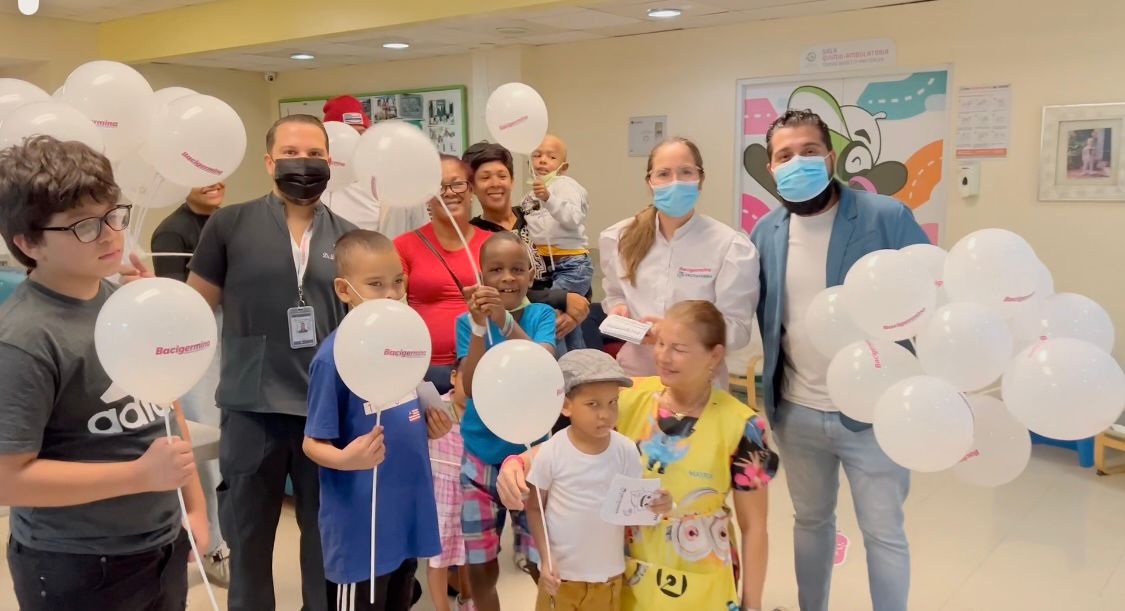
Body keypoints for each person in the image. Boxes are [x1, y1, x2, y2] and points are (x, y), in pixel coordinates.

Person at [0, 136, 208, 610]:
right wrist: (139, 475)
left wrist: (193, 506)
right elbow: (8, 479)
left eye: (114, 215)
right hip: (77, 562)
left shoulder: (124, 303)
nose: (111, 235)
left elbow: (166, 406)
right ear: (29, 243)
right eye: (84, 226)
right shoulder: (24, 339)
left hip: (162, 540)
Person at [750, 109, 930, 611]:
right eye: (785, 155)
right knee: (810, 522)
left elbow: (929, 298)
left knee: (883, 531)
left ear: (830, 157)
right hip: (797, 411)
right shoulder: (765, 232)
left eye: (809, 151)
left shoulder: (885, 217)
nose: (797, 161)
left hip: (874, 415)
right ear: (771, 168)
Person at [497, 301, 778, 611]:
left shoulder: (743, 426)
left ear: (714, 355)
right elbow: (572, 441)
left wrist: (752, 605)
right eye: (660, 343)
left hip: (700, 568)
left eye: (679, 349)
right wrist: (518, 462)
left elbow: (754, 527)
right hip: (627, 571)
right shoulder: (628, 397)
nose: (663, 356)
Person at [187, 114, 357, 611]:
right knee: (249, 541)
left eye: (314, 154)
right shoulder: (229, 225)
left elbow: (365, 324)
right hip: (251, 406)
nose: (303, 163)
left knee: (324, 541)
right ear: (268, 162)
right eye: (290, 153)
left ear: (330, 162)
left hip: (325, 410)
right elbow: (195, 310)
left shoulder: (349, 238)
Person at [304, 229, 451, 611]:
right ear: (344, 289)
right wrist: (346, 459)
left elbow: (409, 407)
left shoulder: (404, 344)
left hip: (406, 513)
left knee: (400, 597)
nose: (390, 294)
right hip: (360, 528)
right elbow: (312, 443)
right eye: (375, 284)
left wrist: (431, 425)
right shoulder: (332, 359)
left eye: (397, 281)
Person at [600, 138, 759, 380]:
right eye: (664, 174)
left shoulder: (730, 246)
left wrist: (676, 333)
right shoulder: (619, 238)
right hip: (636, 376)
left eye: (686, 172)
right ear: (650, 182)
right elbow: (615, 294)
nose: (675, 182)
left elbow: (737, 330)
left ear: (701, 179)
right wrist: (619, 309)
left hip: (699, 382)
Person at [525, 349, 671, 611]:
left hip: (609, 577)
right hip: (561, 578)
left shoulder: (626, 449)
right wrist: (546, 559)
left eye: (612, 402)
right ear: (566, 405)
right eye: (593, 404)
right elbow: (535, 508)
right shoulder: (552, 452)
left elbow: (635, 511)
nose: (605, 414)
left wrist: (659, 505)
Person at [457, 232, 557, 611]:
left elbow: (542, 365)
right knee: (481, 568)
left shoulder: (541, 315)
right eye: (496, 270)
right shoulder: (466, 323)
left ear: (531, 275)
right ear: (481, 277)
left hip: (531, 460)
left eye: (517, 269)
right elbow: (470, 387)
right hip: (479, 460)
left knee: (540, 562)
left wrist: (504, 322)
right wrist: (480, 326)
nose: (507, 278)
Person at [150, 181, 230, 585]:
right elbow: (181, 304)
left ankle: (233, 537)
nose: (214, 182)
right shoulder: (171, 231)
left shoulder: (232, 221)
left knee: (233, 448)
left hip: (237, 340)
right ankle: (214, 545)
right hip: (198, 347)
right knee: (208, 449)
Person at [463, 142, 590, 356]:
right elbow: (501, 288)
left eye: (502, 176)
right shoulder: (474, 234)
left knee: (578, 366)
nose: (495, 183)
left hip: (562, 318)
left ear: (512, 180)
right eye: (485, 177)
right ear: (472, 187)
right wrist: (562, 299)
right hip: (516, 327)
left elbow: (572, 260)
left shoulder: (534, 215)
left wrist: (575, 311)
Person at [394, 154, 491, 395]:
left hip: (483, 365)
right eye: (439, 186)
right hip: (423, 372)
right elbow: (392, 306)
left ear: (471, 190)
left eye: (457, 184)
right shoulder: (404, 245)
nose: (449, 193)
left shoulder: (493, 245)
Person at [520, 134, 593, 353]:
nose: (543, 160)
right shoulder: (531, 194)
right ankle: (578, 362)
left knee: (552, 317)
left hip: (572, 265)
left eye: (551, 157)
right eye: (537, 155)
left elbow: (573, 218)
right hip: (551, 267)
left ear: (564, 166)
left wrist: (549, 198)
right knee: (567, 323)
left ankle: (563, 366)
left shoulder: (565, 185)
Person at [321, 95, 428, 238]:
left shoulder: (398, 183)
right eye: (346, 134)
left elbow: (425, 236)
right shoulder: (315, 183)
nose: (354, 140)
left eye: (360, 133)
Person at [427, 363, 475, 611]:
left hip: (471, 491)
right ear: (454, 377)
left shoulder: (482, 415)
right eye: (468, 379)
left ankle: (467, 597)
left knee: (469, 552)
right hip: (441, 495)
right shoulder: (435, 408)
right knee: (439, 558)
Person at [150, 182, 225, 281]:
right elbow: (173, 288)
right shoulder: (169, 233)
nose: (213, 183)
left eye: (216, 176)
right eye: (200, 179)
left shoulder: (232, 220)